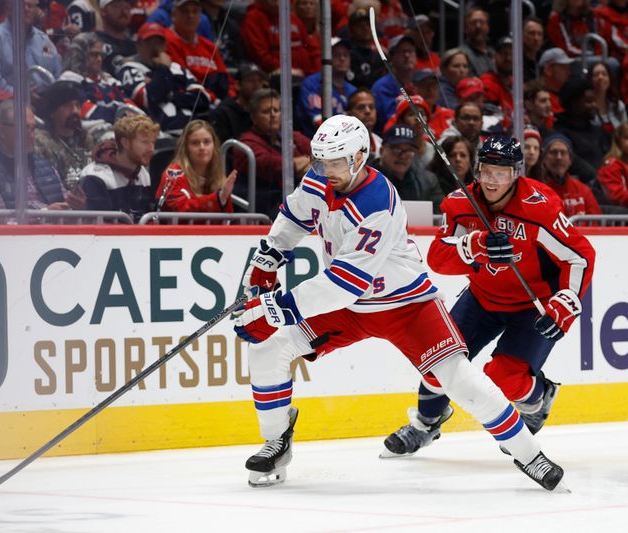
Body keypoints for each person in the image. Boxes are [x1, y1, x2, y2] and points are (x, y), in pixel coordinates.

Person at [232, 116, 565, 491]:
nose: (327, 170)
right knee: (268, 348)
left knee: (458, 380)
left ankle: (529, 454)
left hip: (406, 305)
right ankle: (277, 441)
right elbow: (294, 217)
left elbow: (345, 282)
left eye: (336, 162)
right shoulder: (320, 178)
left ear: (359, 157)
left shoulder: (378, 202)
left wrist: (275, 308)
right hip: (351, 309)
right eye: (320, 161)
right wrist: (269, 257)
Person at [382, 135, 595, 459]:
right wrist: (472, 247)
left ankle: (540, 397)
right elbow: (438, 257)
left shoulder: (539, 207)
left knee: (504, 377)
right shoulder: (459, 203)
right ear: (478, 169)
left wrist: (566, 301)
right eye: (486, 170)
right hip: (482, 298)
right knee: (437, 361)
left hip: (531, 305)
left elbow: (579, 256)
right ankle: (426, 424)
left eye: (501, 172)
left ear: (516, 174)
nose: (492, 180)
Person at [0, 101, 73, 221]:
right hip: (18, 239)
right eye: (25, 128)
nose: (31, 136)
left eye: (33, 128)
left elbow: (66, 205)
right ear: (2, 130)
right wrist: (44, 214)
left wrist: (76, 205)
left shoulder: (44, 164)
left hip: (57, 236)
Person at [118, 21, 213, 137]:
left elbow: (202, 99)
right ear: (138, 46)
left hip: (192, 132)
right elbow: (147, 98)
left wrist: (171, 94)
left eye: (158, 43)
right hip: (158, 136)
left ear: (165, 46)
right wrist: (164, 70)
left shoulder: (178, 68)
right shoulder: (130, 69)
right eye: (149, 43)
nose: (154, 49)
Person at [234, 89, 312, 220]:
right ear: (253, 117)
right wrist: (293, 165)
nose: (273, 115)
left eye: (276, 110)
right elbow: (267, 164)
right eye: (266, 111)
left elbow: (319, 154)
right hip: (265, 203)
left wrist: (304, 165)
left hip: (295, 199)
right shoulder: (246, 142)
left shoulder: (293, 137)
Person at [79, 114, 159, 221]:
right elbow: (100, 229)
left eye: (153, 142)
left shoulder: (143, 173)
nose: (151, 149)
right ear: (125, 142)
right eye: (145, 142)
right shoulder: (95, 176)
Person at [157, 120, 237, 213]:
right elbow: (179, 211)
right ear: (186, 148)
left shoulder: (218, 176)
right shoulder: (173, 175)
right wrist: (218, 198)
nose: (202, 147)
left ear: (214, 146)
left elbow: (227, 218)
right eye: (195, 143)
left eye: (207, 142)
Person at [165, 0, 235, 102]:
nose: (190, 16)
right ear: (174, 15)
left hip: (218, 102)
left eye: (195, 11)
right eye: (185, 11)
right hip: (191, 102)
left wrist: (230, 99)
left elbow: (228, 81)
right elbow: (184, 80)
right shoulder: (167, 41)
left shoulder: (209, 46)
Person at [0, 0, 61, 92]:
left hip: (46, 99)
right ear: (9, 6)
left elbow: (57, 72)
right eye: (21, 5)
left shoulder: (43, 40)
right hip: (11, 101)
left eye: (30, 6)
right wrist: (21, 94)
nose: (26, 9)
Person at [60, 32, 134, 124]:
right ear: (80, 54)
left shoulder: (109, 81)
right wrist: (123, 115)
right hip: (93, 132)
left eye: (101, 55)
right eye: (94, 54)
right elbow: (87, 112)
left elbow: (132, 108)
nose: (99, 59)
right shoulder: (69, 79)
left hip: (122, 128)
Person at [34, 81, 94, 192]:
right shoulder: (41, 141)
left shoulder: (85, 138)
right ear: (52, 112)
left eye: (77, 105)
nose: (75, 111)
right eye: (67, 106)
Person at [240, 0, 320, 76]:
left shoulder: (293, 18)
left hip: (308, 75)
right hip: (278, 75)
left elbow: (311, 48)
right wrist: (288, 70)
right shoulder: (253, 18)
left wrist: (318, 71)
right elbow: (260, 56)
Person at [373, 124, 443, 210]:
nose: (402, 156)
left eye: (409, 151)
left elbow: (439, 217)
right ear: (381, 151)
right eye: (396, 149)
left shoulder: (429, 181)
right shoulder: (364, 179)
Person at [296, 38, 356, 137]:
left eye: (345, 55)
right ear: (326, 57)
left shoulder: (353, 90)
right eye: (336, 55)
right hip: (317, 142)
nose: (342, 58)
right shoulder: (312, 84)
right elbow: (318, 121)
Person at [538, 134, 602, 217]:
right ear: (544, 158)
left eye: (563, 152)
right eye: (553, 152)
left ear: (570, 160)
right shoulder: (537, 190)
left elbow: (596, 222)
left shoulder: (583, 190)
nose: (559, 157)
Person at [208, 63, 268, 143]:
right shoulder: (223, 114)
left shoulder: (263, 112)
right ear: (238, 85)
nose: (257, 85)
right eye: (251, 80)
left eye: (260, 81)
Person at [371, 35, 418, 133]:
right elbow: (389, 118)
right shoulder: (381, 87)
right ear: (392, 57)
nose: (407, 55)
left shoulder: (421, 81)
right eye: (402, 52)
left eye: (410, 51)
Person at [96, 0, 137, 76]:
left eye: (127, 7)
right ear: (103, 11)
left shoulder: (136, 46)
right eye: (118, 6)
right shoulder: (91, 41)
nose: (124, 12)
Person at [589, 61, 628, 136]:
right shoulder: (585, 108)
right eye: (596, 75)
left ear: (610, 79)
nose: (600, 77)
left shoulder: (619, 106)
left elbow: (625, 133)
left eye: (604, 74)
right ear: (590, 80)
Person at [346, 88, 382, 161]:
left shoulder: (380, 142)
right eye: (361, 107)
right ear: (349, 115)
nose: (368, 111)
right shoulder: (342, 144)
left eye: (371, 107)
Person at [538, 48, 573, 116]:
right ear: (548, 70)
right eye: (563, 67)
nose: (569, 71)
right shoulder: (539, 96)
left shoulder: (567, 93)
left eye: (568, 67)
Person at [460, 6, 494, 77]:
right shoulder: (460, 55)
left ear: (488, 27)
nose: (478, 26)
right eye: (473, 22)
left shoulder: (494, 54)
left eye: (482, 22)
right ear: (465, 28)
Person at [522, 16, 545, 82]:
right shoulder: (515, 60)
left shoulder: (545, 60)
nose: (536, 38)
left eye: (539, 34)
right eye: (531, 33)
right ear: (522, 35)